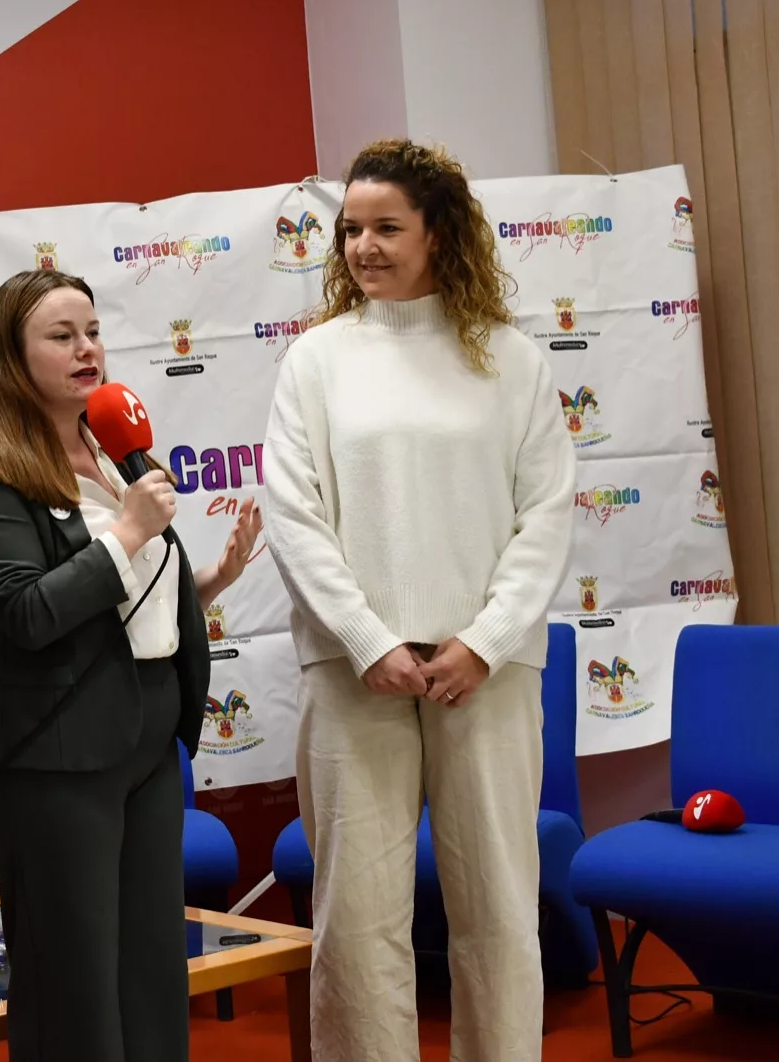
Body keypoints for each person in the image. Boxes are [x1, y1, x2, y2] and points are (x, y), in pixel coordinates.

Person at [261, 138, 576, 1062]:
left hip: (488, 672)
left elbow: (547, 514)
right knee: (356, 922)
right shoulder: (315, 360)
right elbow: (294, 517)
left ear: (438, 233)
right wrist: (367, 639)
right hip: (354, 672)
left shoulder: (512, 360)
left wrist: (485, 639)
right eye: (351, 229)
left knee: (499, 914)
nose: (363, 246)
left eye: (387, 227)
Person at [0, 269, 263, 1062]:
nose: (87, 349)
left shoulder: (112, 450)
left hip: (144, 740)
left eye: (92, 331)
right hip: (52, 753)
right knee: (74, 980)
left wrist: (209, 579)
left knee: (151, 969)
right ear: (12, 355)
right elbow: (27, 613)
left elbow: (126, 602)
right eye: (62, 335)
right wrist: (128, 530)